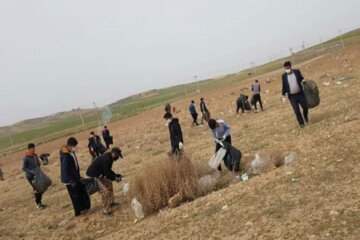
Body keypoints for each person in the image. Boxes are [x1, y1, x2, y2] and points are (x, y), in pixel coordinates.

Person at [86, 147, 123, 217]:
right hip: (93, 176)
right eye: (118, 156)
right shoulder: (107, 159)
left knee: (109, 183)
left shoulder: (110, 157)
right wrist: (115, 178)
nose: (117, 158)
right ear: (114, 154)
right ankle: (106, 211)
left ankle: (111, 202)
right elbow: (107, 174)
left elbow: (108, 171)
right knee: (105, 192)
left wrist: (115, 175)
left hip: (99, 174)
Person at [60, 137, 90, 217]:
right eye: (74, 146)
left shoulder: (71, 152)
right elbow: (64, 169)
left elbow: (73, 166)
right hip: (70, 180)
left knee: (80, 192)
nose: (75, 148)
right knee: (75, 196)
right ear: (70, 145)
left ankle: (84, 208)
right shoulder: (65, 155)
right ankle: (78, 213)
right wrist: (70, 181)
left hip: (75, 177)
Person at [282, 61, 309, 128]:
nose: (287, 69)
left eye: (288, 68)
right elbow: (284, 85)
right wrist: (283, 94)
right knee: (296, 110)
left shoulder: (297, 72)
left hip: (300, 93)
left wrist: (303, 81)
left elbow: (301, 78)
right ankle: (301, 123)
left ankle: (305, 116)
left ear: (290, 67)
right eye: (285, 68)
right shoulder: (283, 76)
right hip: (292, 96)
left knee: (305, 107)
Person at [22, 143, 46, 209]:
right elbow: (24, 168)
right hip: (30, 177)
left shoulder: (35, 155)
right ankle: (38, 203)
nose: (34, 149)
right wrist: (31, 171)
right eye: (33, 148)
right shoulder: (26, 158)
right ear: (29, 149)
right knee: (37, 189)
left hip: (37, 175)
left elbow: (38, 164)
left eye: (34, 148)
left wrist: (43, 161)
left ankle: (39, 202)